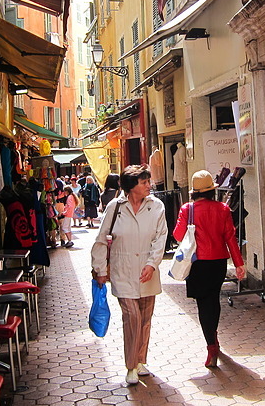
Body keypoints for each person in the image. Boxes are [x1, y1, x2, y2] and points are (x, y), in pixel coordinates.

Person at [91, 165, 167, 385]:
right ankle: (131, 366)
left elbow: (161, 237)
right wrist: (100, 270)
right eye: (144, 182)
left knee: (145, 319)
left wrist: (152, 264)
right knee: (132, 317)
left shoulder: (157, 206)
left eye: (148, 181)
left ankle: (141, 361)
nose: (148, 186)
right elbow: (100, 238)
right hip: (122, 270)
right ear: (131, 186)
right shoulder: (115, 207)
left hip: (147, 272)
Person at [173, 170, 246, 368]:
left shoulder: (187, 209)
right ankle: (214, 339)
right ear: (212, 191)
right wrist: (239, 264)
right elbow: (231, 238)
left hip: (197, 263)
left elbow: (178, 235)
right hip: (218, 262)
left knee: (203, 304)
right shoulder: (223, 209)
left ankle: (211, 346)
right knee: (213, 299)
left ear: (194, 192)